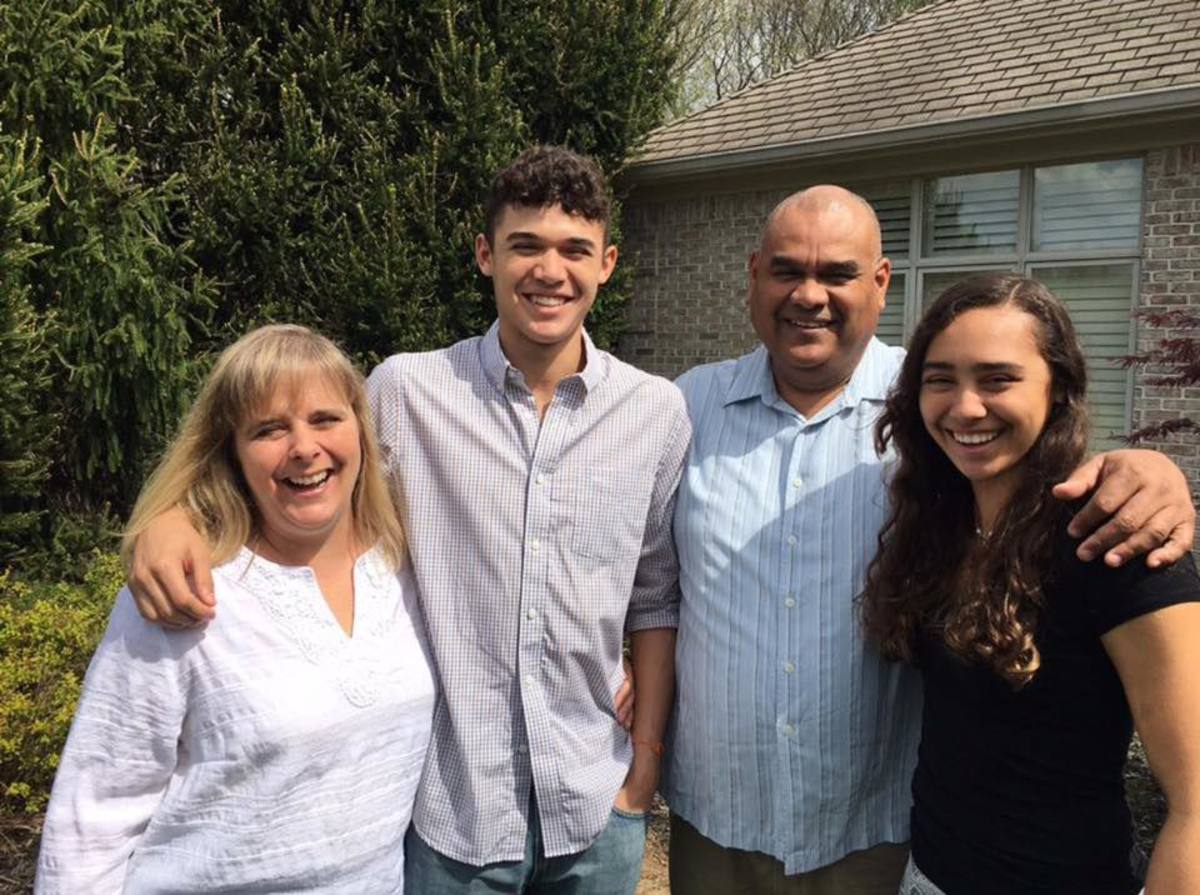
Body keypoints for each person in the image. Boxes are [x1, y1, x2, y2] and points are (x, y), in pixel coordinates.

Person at [126, 146, 688, 893]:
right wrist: (171, 523)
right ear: (486, 254)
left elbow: (654, 595)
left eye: (573, 250)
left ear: (606, 263)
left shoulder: (654, 412)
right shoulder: (407, 392)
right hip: (451, 817)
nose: (549, 271)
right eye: (525, 245)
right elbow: (296, 483)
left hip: (596, 807)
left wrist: (644, 762)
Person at [664, 186, 1197, 894]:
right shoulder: (684, 409)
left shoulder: (927, 406)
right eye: (788, 270)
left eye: (838, 273)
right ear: (754, 275)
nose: (809, 294)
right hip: (719, 827)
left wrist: (1153, 467)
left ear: (881, 282)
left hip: (874, 839)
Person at [35, 325, 435, 893]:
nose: (303, 447)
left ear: (362, 432)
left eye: (325, 419)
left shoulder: (404, 564)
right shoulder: (182, 594)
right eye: (269, 429)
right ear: (232, 453)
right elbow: (92, 816)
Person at [860, 274, 1200, 894]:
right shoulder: (940, 523)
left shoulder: (1114, 543)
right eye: (941, 379)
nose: (965, 407)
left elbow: (1196, 805)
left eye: (998, 379)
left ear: (1059, 388)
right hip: (927, 876)